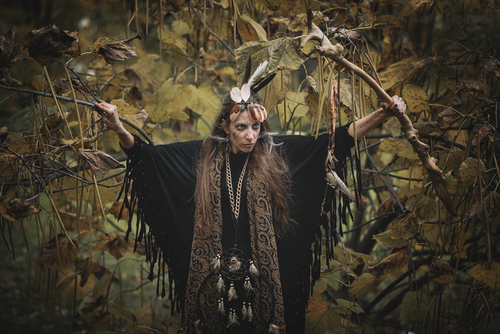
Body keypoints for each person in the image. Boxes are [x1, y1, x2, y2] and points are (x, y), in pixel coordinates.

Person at [94, 66, 406, 333]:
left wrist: (383, 112)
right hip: (213, 279)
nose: (250, 136)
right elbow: (146, 157)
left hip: (264, 280)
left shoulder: (275, 153)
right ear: (224, 127)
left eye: (255, 127)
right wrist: (119, 126)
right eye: (241, 128)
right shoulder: (200, 157)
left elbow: (334, 142)